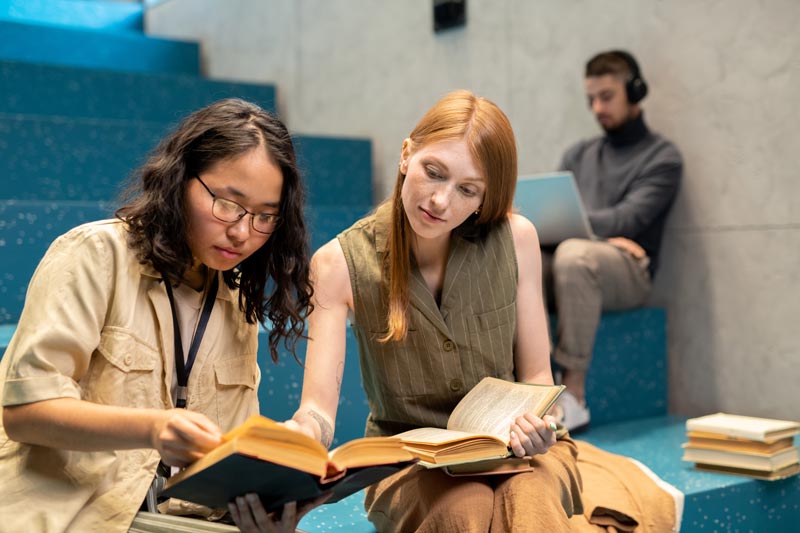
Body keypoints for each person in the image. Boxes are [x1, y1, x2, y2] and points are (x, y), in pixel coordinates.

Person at [0, 98, 325, 532]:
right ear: (180, 180)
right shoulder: (95, 255)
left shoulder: (235, 303)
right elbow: (25, 412)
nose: (243, 231)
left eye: (266, 216)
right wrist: (154, 428)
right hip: (76, 516)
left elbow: (225, 466)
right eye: (228, 204)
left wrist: (263, 508)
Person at [284, 90, 583, 532]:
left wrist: (541, 423)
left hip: (517, 452)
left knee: (529, 500)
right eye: (433, 172)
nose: (441, 201)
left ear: (484, 199)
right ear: (407, 155)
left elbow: (538, 378)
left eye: (467, 190)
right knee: (463, 511)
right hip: (407, 464)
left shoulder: (517, 238)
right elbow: (318, 411)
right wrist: (299, 435)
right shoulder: (337, 264)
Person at [545, 50, 683, 431]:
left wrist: (582, 233)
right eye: (591, 98)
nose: (597, 107)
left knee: (575, 255)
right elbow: (558, 217)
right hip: (576, 261)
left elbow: (629, 218)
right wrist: (597, 234)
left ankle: (574, 396)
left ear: (635, 92)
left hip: (629, 273)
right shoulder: (579, 154)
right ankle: (531, 389)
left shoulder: (662, 158)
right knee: (519, 255)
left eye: (606, 96)